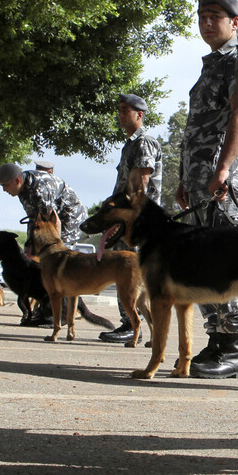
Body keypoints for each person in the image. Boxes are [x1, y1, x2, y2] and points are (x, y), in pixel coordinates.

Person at [175, 0, 238, 379]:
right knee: (200, 263)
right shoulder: (212, 63)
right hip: (199, 182)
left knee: (226, 262)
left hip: (226, 180)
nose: (207, 23)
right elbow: (195, 127)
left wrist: (224, 168)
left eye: (215, 16)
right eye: (202, 16)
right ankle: (218, 340)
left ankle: (234, 346)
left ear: (235, 23)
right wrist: (183, 178)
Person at [99, 93, 164, 343]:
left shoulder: (144, 142)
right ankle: (138, 324)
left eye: (126, 110)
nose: (121, 115)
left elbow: (142, 184)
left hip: (137, 222)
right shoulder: (131, 144)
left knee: (133, 274)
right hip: (126, 220)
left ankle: (133, 324)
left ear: (140, 114)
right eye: (119, 110)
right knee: (128, 273)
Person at [0, 163, 87, 248]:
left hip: (70, 218)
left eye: (5, 185)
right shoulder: (22, 188)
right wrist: (30, 246)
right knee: (33, 252)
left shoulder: (40, 190)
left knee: (56, 254)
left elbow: (53, 222)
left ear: (17, 181)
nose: (4, 190)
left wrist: (55, 250)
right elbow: (34, 220)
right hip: (54, 217)